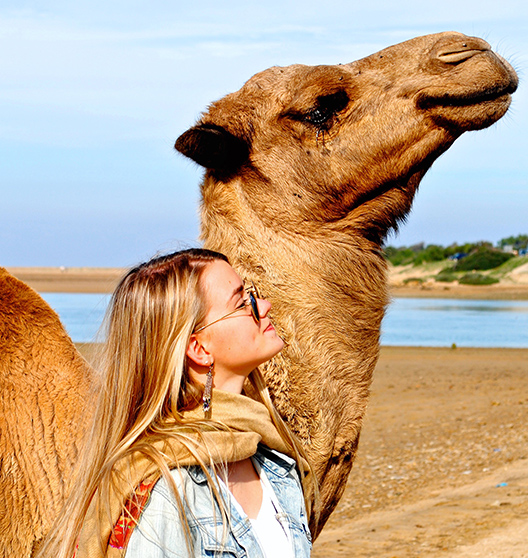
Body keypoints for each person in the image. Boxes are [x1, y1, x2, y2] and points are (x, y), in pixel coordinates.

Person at [38, 248, 316, 558]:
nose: (263, 306)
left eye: (252, 295)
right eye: (241, 303)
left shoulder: (274, 460)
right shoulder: (164, 491)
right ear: (199, 349)